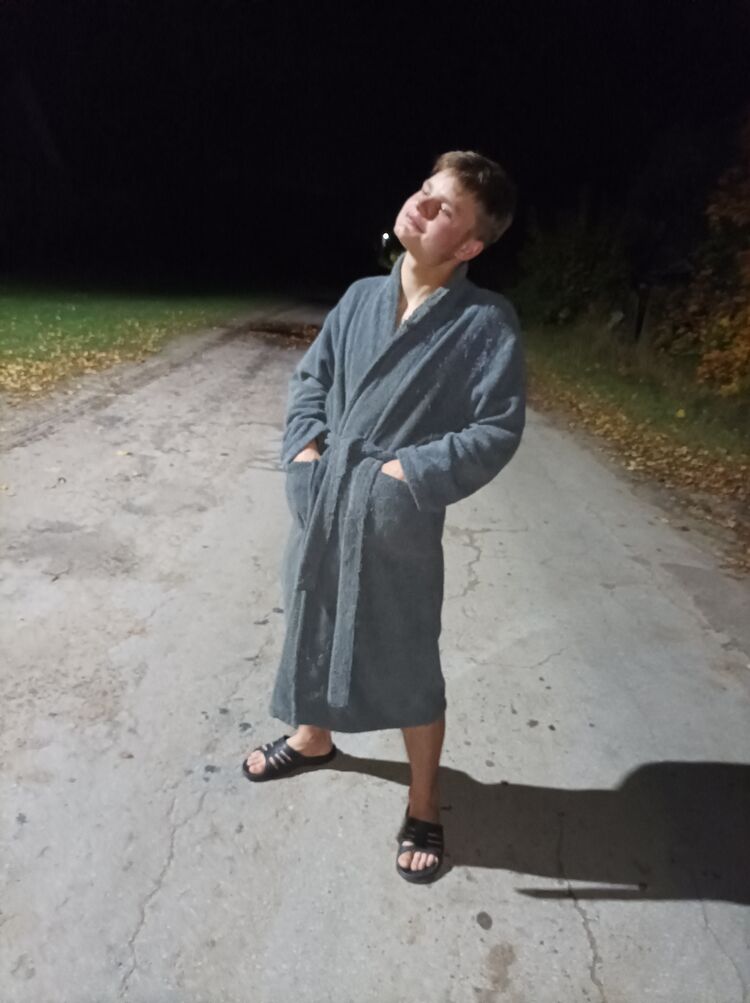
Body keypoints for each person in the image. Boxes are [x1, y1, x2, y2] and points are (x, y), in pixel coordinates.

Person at [243, 150, 526, 884]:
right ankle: (312, 737)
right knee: (312, 617)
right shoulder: (360, 296)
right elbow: (312, 378)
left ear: (470, 246)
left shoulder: (485, 322)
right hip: (324, 499)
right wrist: (304, 452)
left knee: (407, 656)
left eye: (444, 208)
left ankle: (424, 803)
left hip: (396, 521)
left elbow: (497, 428)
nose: (420, 206)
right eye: (425, 191)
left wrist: (408, 477)